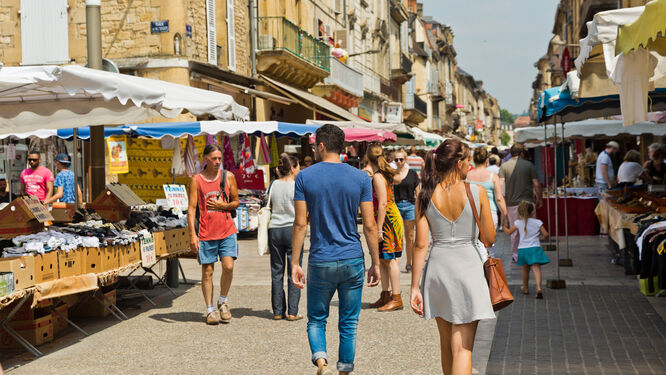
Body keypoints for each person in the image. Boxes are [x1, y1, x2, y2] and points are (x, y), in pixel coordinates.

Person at [291, 124, 381, 375]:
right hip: (352, 257)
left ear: (320, 146)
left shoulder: (305, 177)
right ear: (342, 148)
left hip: (321, 258)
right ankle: (344, 371)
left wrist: (295, 261)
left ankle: (322, 362)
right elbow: (370, 225)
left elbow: (300, 223)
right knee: (349, 323)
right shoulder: (361, 177)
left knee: (317, 319)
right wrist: (375, 261)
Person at [410, 139, 496, 375]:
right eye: (467, 160)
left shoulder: (425, 194)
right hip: (468, 268)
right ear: (459, 164)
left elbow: (420, 245)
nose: (469, 165)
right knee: (463, 348)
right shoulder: (476, 192)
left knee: (447, 345)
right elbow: (489, 237)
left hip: (438, 268)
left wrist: (414, 287)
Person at [187, 144, 239, 325]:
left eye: (219, 159)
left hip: (227, 231)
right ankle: (210, 310)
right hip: (206, 232)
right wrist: (193, 235)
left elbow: (236, 202)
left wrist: (223, 206)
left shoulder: (228, 176)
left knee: (229, 266)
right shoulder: (197, 180)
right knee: (207, 271)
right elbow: (192, 209)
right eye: (214, 159)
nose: (218, 162)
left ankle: (223, 300)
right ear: (206, 159)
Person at [363, 144, 404, 311]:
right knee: (382, 259)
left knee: (390, 259)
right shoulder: (382, 173)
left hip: (387, 220)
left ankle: (397, 297)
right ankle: (385, 294)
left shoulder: (379, 176)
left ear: (367, 157)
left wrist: (379, 228)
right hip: (388, 217)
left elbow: (383, 203)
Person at [268, 153, 303, 321]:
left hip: (274, 229)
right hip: (292, 229)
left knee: (277, 271)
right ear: (291, 168)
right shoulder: (297, 185)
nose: (299, 170)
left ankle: (277, 311)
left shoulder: (273, 184)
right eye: (297, 167)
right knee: (294, 268)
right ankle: (292, 311)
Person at [499, 143, 542, 263]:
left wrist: (502, 203)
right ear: (522, 153)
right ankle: (530, 253)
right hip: (528, 203)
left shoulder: (504, 167)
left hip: (512, 203)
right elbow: (537, 184)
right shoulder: (529, 165)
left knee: (515, 231)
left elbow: (501, 186)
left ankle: (516, 255)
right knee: (530, 228)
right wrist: (540, 198)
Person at [503, 201, 550, 299]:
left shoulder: (518, 223)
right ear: (532, 212)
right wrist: (542, 238)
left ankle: (525, 287)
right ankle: (538, 288)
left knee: (525, 269)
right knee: (536, 268)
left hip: (523, 249)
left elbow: (508, 232)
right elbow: (546, 234)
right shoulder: (538, 222)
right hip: (535, 248)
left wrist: (504, 226)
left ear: (519, 213)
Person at [466, 147, 508, 257]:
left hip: (471, 212)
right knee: (489, 246)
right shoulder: (493, 177)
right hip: (490, 213)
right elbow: (499, 198)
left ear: (473, 160)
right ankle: (489, 270)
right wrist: (505, 214)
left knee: (474, 244)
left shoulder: (467, 176)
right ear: (486, 160)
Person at [393, 149, 419, 273]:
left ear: (405, 160)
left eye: (401, 159)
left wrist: (420, 209)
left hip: (410, 205)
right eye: (396, 159)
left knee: (409, 236)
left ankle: (409, 262)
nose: (398, 162)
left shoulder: (412, 173)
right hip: (396, 206)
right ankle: (395, 262)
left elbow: (418, 193)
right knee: (396, 236)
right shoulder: (392, 174)